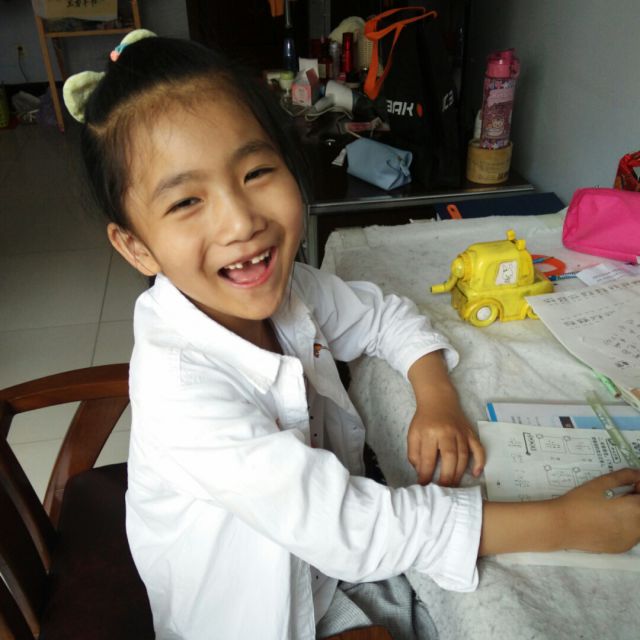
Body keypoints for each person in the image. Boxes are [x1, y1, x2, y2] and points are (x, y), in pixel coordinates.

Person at [63, 30, 640, 640]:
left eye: (256, 171)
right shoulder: (181, 390)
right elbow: (353, 530)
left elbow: (383, 317)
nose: (241, 221)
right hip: (260, 615)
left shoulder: (289, 288)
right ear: (135, 246)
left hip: (320, 568)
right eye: (186, 202)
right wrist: (564, 524)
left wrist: (435, 395)